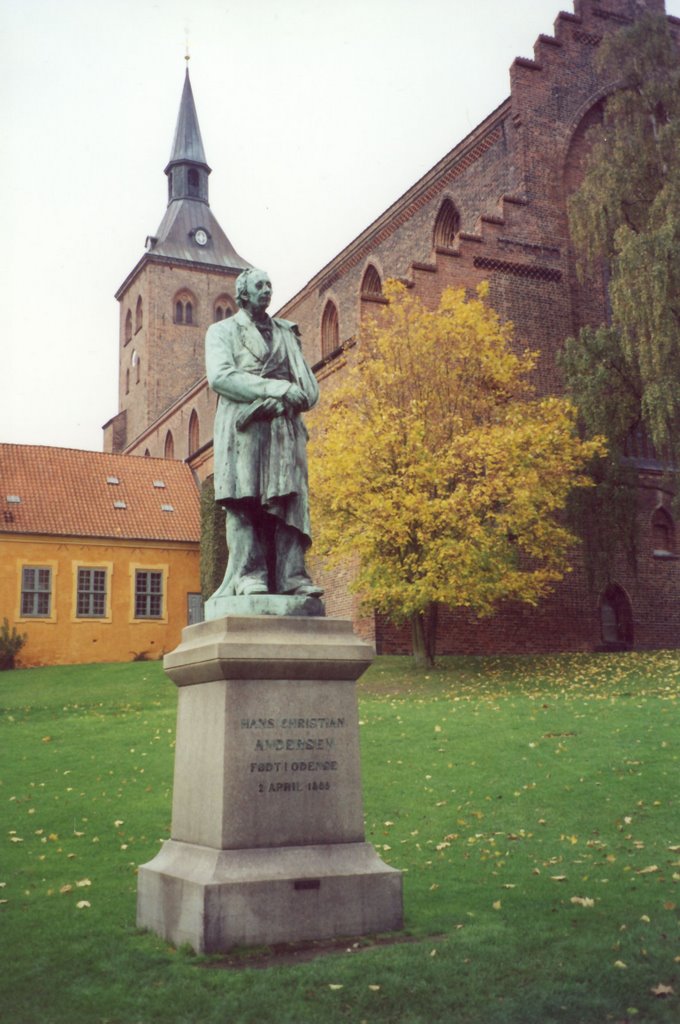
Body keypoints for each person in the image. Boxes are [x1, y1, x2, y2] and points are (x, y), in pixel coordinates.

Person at [205, 268, 323, 597]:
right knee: (246, 501)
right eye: (260, 285)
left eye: (270, 285)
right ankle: (248, 575)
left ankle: (292, 577)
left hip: (283, 428)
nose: (267, 290)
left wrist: (294, 395)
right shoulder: (222, 332)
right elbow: (221, 377)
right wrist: (276, 389)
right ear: (243, 294)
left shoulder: (286, 333)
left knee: (290, 504)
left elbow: (307, 386)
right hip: (245, 426)